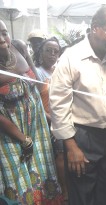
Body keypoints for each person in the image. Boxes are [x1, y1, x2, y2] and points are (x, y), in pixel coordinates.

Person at [49, 5, 106, 205]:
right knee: (82, 194)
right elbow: (58, 105)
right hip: (82, 136)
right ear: (94, 27)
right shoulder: (71, 57)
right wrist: (71, 146)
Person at [0, 20, 62, 204]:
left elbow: (37, 83)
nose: (2, 38)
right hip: (9, 135)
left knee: (44, 174)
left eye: (4, 32)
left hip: (37, 127)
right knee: (18, 180)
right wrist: (22, 138)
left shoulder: (18, 47)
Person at [34, 37, 69, 202]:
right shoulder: (37, 73)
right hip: (47, 121)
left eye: (56, 51)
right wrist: (53, 121)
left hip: (63, 119)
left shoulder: (60, 71)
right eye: (48, 50)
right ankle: (63, 191)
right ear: (41, 52)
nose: (52, 54)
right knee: (59, 156)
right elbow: (37, 104)